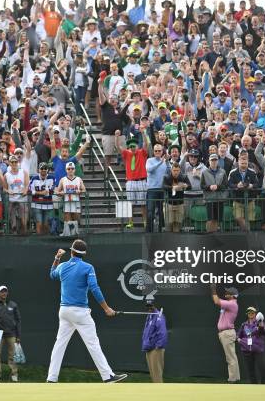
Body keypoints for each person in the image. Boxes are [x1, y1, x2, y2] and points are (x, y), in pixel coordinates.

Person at [47, 239, 127, 383]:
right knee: (93, 343)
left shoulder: (63, 266)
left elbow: (52, 274)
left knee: (59, 344)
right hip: (80, 313)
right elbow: (94, 288)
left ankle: (51, 378)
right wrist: (106, 308)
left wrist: (57, 258)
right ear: (84, 254)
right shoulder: (88, 267)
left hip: (64, 311)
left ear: (71, 251)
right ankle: (107, 376)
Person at [0, 285, 21, 382]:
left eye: (5, 291)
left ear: (7, 293)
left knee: (13, 355)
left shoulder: (13, 305)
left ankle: (14, 374)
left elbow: (18, 320)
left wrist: (18, 335)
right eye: (2, 292)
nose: (4, 293)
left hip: (11, 334)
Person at [211, 284, 240, 383]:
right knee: (232, 357)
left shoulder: (232, 303)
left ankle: (232, 379)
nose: (226, 293)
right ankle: (235, 378)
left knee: (230, 357)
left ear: (233, 295)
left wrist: (213, 290)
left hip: (227, 333)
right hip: (226, 333)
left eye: (228, 292)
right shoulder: (229, 303)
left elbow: (216, 301)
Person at [237, 307, 265, 384]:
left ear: (255, 314)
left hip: (258, 349)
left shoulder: (259, 323)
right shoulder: (244, 325)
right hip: (246, 351)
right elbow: (238, 336)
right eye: (249, 312)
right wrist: (241, 341)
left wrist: (261, 323)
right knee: (250, 370)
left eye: (252, 312)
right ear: (247, 314)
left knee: (262, 368)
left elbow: (263, 332)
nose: (251, 313)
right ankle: (254, 386)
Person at [55, 162, 86, 236]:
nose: (70, 170)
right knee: (67, 217)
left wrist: (80, 191)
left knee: (76, 217)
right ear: (66, 170)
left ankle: (75, 233)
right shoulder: (63, 179)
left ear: (75, 170)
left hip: (76, 201)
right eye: (69, 169)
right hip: (67, 201)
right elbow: (56, 190)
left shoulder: (79, 179)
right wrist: (60, 193)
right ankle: (67, 233)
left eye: (72, 168)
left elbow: (84, 190)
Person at [141, 299, 168, 383]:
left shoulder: (159, 316)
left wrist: (158, 346)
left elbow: (162, 332)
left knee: (157, 374)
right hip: (149, 348)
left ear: (154, 306)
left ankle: (160, 393)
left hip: (155, 349)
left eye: (151, 306)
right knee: (153, 374)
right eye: (148, 306)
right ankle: (156, 392)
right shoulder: (149, 316)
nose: (149, 308)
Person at [201, 154, 228, 233]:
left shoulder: (223, 171)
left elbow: (225, 185)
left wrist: (217, 187)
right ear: (209, 161)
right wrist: (209, 187)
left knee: (217, 219)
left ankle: (214, 235)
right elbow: (202, 186)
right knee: (210, 219)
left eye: (215, 160)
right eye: (212, 160)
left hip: (220, 199)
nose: (214, 162)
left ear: (218, 161)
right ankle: (209, 234)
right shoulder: (204, 172)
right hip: (209, 199)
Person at [162, 162, 190, 232]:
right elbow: (163, 186)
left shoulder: (184, 177)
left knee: (177, 226)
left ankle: (175, 241)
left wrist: (185, 185)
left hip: (180, 204)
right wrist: (173, 188)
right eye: (174, 170)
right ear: (171, 170)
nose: (176, 172)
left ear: (180, 170)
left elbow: (190, 186)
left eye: (177, 170)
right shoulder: (166, 177)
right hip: (169, 204)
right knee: (168, 225)